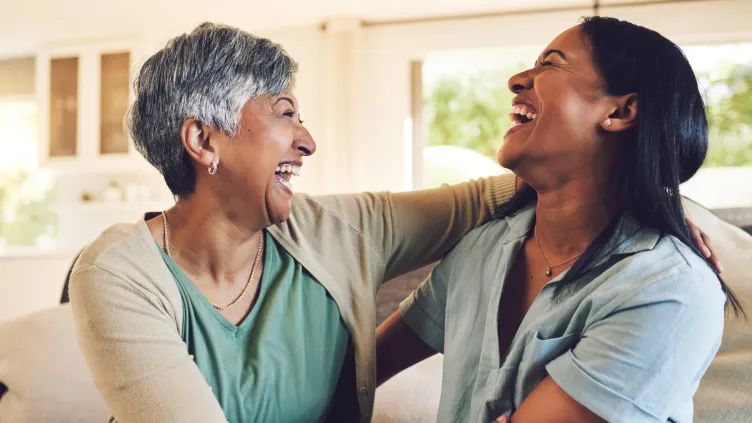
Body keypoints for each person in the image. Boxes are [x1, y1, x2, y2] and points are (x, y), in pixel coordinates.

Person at [68, 22, 521, 423]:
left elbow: (490, 198)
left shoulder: (339, 228)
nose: (307, 141)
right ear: (203, 140)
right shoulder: (117, 272)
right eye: (285, 114)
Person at [375, 16, 741, 423]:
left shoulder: (670, 288)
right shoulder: (482, 248)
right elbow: (361, 368)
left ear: (621, 110)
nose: (517, 80)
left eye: (549, 64)